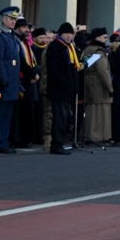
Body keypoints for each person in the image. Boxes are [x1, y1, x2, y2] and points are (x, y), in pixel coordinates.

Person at [0, 6, 22, 154]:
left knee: (7, 114)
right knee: (0, 114)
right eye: (10, 19)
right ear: (3, 19)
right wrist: (3, 78)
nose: (13, 22)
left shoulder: (11, 36)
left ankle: (3, 140)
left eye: (14, 19)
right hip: (5, 81)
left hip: (12, 81)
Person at [45, 22, 81, 155]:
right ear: (60, 34)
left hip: (67, 90)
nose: (69, 36)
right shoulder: (55, 47)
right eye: (66, 33)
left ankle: (60, 142)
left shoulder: (69, 47)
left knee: (64, 118)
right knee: (59, 118)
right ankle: (57, 144)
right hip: (59, 90)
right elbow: (54, 69)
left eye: (71, 33)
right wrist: (65, 82)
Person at [12, 17, 40, 148]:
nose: (27, 30)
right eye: (24, 27)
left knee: (28, 110)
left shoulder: (25, 43)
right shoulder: (16, 41)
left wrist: (34, 72)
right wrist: (32, 74)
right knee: (20, 112)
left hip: (28, 80)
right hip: (21, 80)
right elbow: (22, 62)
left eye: (28, 28)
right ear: (17, 28)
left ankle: (26, 138)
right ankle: (19, 139)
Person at [81, 27, 112, 144]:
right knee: (100, 111)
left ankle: (89, 135)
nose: (106, 40)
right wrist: (110, 87)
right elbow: (103, 71)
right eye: (104, 37)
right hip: (98, 84)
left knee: (91, 110)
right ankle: (98, 136)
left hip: (89, 82)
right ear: (97, 38)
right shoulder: (99, 51)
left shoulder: (88, 49)